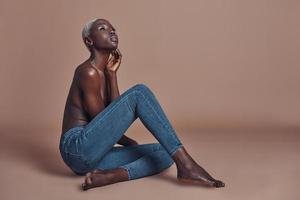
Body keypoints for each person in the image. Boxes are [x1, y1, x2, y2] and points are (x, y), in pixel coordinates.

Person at [59, 18, 225, 191]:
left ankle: (112, 175)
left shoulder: (103, 73)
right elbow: (101, 123)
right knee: (139, 93)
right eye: (103, 28)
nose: (112, 31)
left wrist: (112, 75)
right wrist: (129, 142)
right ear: (89, 41)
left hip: (91, 157)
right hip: (77, 148)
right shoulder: (88, 71)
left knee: (164, 152)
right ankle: (186, 164)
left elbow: (111, 118)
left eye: (113, 29)